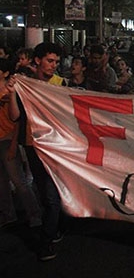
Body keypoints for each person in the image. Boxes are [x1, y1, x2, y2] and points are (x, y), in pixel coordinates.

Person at [7, 42, 68, 261]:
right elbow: (15, 117)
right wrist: (14, 92)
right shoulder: (27, 85)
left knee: (51, 196)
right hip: (32, 146)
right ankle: (56, 225)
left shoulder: (60, 84)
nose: (53, 66)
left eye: (56, 62)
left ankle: (46, 241)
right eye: (50, 61)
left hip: (54, 147)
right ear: (37, 60)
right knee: (45, 193)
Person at [0, 58, 42, 231]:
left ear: (5, 73)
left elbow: (16, 120)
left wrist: (13, 145)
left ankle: (35, 215)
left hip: (7, 139)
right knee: (1, 181)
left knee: (19, 181)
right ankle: (8, 214)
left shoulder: (10, 91)